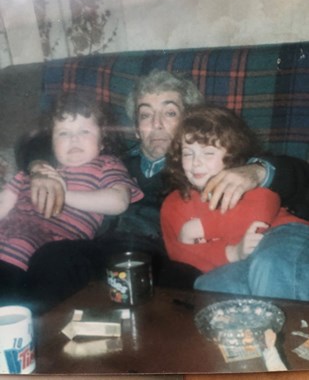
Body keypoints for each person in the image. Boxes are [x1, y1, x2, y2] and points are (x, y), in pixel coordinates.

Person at [18, 70, 309, 311]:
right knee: (54, 256)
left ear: (191, 121)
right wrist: (39, 166)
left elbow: (295, 173)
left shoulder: (212, 162)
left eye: (169, 112)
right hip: (108, 251)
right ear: (135, 129)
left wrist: (256, 171)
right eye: (145, 115)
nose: (156, 124)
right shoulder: (112, 161)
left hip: (171, 263)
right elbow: (42, 140)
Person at [0, 91, 143, 303]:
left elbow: (119, 201)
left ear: (102, 140)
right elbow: (4, 203)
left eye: (84, 131)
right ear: (52, 142)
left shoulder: (107, 165)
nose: (74, 139)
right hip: (7, 234)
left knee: (18, 258)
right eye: (63, 133)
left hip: (46, 244)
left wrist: (64, 194)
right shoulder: (38, 170)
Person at [161, 106, 309, 300]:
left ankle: (289, 329)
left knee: (269, 263)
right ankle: (255, 330)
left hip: (283, 234)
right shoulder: (174, 204)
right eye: (188, 153)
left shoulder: (240, 178)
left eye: (208, 153)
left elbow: (264, 206)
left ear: (231, 155)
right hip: (239, 261)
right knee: (209, 285)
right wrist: (232, 253)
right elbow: (180, 253)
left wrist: (202, 227)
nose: (196, 162)